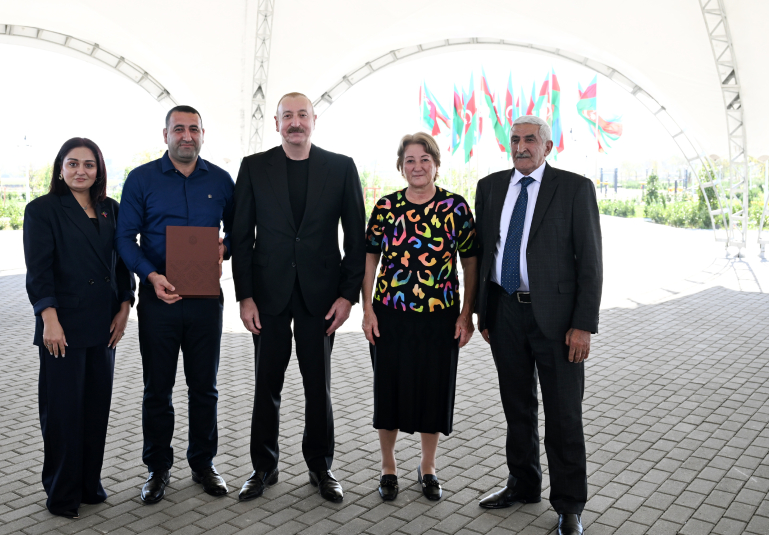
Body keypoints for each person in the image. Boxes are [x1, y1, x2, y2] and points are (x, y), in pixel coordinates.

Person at [232, 92, 366, 502]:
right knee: (266, 385)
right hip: (267, 296)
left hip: (321, 297)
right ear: (276, 123)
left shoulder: (341, 168)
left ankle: (321, 467)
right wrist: (245, 297)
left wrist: (347, 297)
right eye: (287, 115)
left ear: (313, 121)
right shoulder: (254, 167)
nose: (295, 122)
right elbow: (241, 236)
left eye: (302, 115)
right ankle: (263, 467)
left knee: (318, 386)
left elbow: (356, 238)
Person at [474, 115, 602, 535]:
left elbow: (591, 261)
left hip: (558, 321)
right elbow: (484, 254)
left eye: (530, 139)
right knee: (517, 408)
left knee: (564, 415)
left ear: (548, 146)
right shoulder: (490, 187)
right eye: (515, 139)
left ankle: (569, 504)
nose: (521, 146)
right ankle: (523, 483)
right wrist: (484, 313)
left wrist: (583, 324)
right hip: (505, 312)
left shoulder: (574, 188)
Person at [115, 105, 234, 504]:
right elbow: (124, 238)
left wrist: (225, 248)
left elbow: (240, 231)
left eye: (193, 129)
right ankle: (157, 468)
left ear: (203, 134)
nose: (186, 136)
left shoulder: (221, 180)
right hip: (158, 299)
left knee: (205, 389)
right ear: (164, 134)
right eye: (178, 129)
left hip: (206, 300)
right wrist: (151, 276)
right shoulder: (141, 179)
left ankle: (203, 464)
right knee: (157, 389)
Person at [361, 132, 479, 502]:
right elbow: (369, 259)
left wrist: (466, 314)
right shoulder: (386, 207)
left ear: (436, 165)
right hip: (390, 315)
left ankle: (428, 467)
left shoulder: (455, 207)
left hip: (440, 317)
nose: (417, 166)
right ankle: (388, 467)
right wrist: (367, 309)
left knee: (434, 391)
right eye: (410, 160)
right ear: (401, 167)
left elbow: (470, 262)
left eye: (424, 159)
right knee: (389, 391)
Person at [23, 137, 135, 519]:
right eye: (73, 163)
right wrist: (49, 319)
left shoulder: (111, 209)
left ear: (98, 170)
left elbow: (122, 263)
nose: (80, 171)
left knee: (95, 410)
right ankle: (62, 494)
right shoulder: (42, 210)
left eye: (89, 164)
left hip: (104, 325)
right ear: (60, 168)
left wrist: (125, 306)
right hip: (62, 327)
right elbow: (38, 271)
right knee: (63, 414)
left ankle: (89, 485)